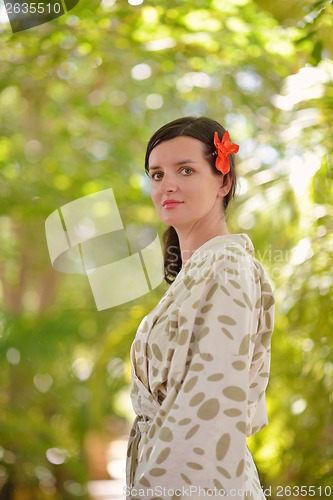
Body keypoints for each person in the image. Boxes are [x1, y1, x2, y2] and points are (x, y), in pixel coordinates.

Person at [126, 117, 275, 500]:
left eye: (186, 170)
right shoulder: (198, 273)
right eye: (156, 175)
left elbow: (208, 411)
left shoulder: (227, 269)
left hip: (197, 481)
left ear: (223, 181)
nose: (167, 185)